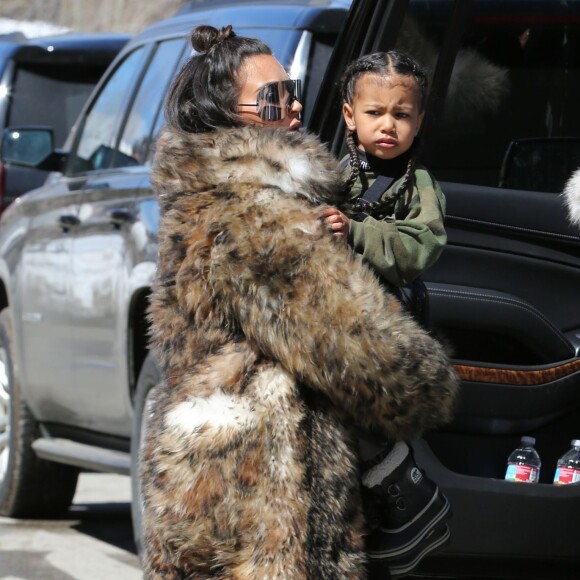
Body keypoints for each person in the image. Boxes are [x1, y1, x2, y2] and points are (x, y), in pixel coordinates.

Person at [141, 25, 458, 579]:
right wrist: (431, 382)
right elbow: (364, 353)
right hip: (271, 491)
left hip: (207, 472)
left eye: (292, 92)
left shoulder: (197, 201)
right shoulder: (260, 215)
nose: (290, 107)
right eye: (271, 98)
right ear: (226, 112)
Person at [321, 51, 452, 576]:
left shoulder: (419, 185)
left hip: (385, 323)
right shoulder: (330, 170)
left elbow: (422, 246)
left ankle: (398, 483)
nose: (389, 126)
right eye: (376, 113)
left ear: (419, 122)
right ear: (350, 115)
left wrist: (354, 232)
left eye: (402, 115)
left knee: (371, 415)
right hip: (330, 318)